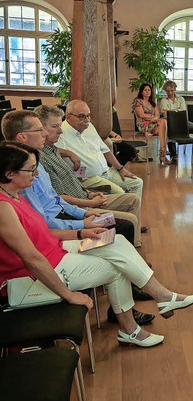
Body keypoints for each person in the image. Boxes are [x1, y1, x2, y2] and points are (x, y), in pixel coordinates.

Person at [0, 141, 193, 347]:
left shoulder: (15, 194)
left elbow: (44, 231)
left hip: (55, 251)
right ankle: (130, 329)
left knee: (114, 239)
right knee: (116, 269)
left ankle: (163, 296)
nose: (36, 174)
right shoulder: (3, 207)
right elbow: (32, 259)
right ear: (10, 174)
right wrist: (69, 295)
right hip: (34, 273)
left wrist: (81, 232)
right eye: (31, 169)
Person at [2, 109, 154, 324]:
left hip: (65, 227)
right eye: (44, 128)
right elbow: (44, 227)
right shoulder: (19, 186)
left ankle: (147, 288)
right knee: (121, 229)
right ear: (22, 137)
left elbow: (55, 201)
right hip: (58, 243)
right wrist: (82, 223)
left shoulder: (39, 162)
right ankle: (138, 292)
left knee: (118, 235)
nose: (50, 132)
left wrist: (84, 214)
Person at [32, 105, 144, 248]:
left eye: (88, 116)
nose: (86, 120)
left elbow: (69, 183)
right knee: (129, 220)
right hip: (80, 203)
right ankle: (125, 248)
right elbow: (58, 200)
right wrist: (89, 206)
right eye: (55, 126)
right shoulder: (40, 159)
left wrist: (89, 194)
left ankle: (133, 245)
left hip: (86, 195)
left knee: (132, 198)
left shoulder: (53, 150)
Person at [56, 100, 144, 199]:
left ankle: (132, 214)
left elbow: (105, 150)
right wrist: (69, 153)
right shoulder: (60, 132)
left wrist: (121, 168)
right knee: (120, 194)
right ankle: (120, 214)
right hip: (87, 178)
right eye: (81, 116)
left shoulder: (89, 127)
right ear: (68, 117)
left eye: (88, 116)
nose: (86, 120)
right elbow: (48, 150)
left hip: (107, 172)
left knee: (137, 182)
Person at [132, 83, 171, 165]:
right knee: (163, 123)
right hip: (143, 124)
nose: (147, 92)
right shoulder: (138, 101)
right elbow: (141, 115)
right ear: (141, 92)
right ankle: (163, 152)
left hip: (155, 123)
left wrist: (155, 119)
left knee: (164, 123)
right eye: (145, 90)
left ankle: (162, 153)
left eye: (149, 90)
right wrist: (152, 119)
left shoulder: (153, 103)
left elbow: (157, 114)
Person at [159, 80, 189, 164]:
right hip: (170, 122)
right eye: (168, 91)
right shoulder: (163, 100)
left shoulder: (181, 99)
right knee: (169, 129)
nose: (170, 92)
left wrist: (171, 112)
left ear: (175, 89)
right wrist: (175, 112)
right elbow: (165, 113)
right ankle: (173, 154)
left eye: (171, 90)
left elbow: (183, 112)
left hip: (182, 121)